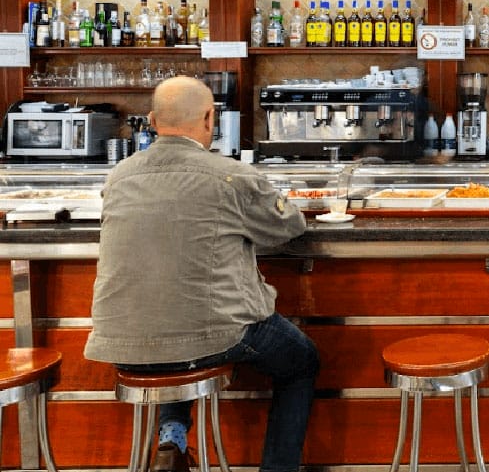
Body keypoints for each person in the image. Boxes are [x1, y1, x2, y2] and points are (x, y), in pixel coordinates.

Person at [85, 76, 318, 472]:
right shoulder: (229, 175)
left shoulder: (118, 176)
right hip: (213, 333)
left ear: (154, 121)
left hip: (122, 339)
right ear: (210, 118)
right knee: (301, 363)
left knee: (173, 334)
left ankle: (172, 438)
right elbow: (287, 226)